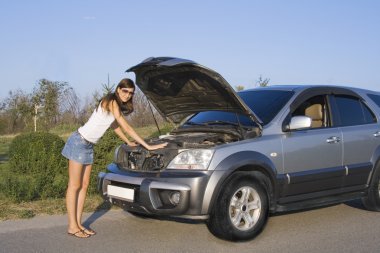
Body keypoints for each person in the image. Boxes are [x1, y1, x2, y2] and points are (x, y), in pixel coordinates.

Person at [61, 78, 167, 238]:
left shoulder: (113, 107)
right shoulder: (110, 101)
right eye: (125, 91)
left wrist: (126, 141)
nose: (128, 95)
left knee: (84, 185)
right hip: (79, 142)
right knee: (74, 186)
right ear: (118, 90)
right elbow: (125, 125)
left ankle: (78, 224)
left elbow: (114, 126)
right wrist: (148, 146)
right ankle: (72, 226)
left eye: (131, 93)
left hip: (88, 146)